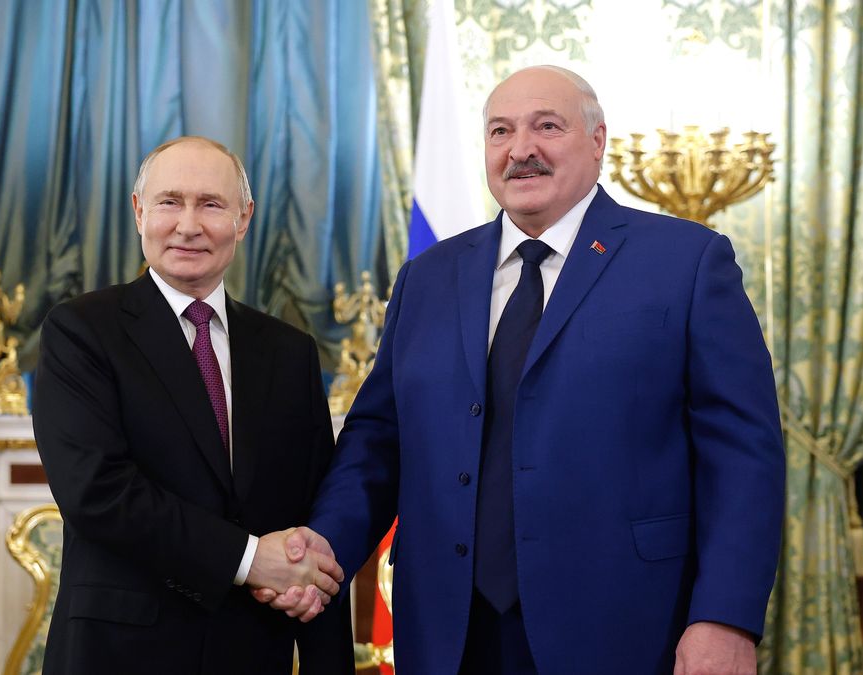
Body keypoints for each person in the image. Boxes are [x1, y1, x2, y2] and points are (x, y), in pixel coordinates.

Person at [262, 65, 786, 674]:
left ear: (597, 141)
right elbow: (380, 441)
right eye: (500, 131)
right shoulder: (427, 279)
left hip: (625, 625)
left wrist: (724, 616)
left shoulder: (686, 263)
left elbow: (743, 457)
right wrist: (324, 549)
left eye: (547, 126)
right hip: (449, 629)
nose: (521, 150)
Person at [32, 136, 354, 673]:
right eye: (169, 202)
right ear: (139, 211)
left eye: (210, 204)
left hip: (253, 650)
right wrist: (251, 561)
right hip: (120, 654)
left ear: (243, 218)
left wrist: (318, 624)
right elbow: (98, 493)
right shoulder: (82, 330)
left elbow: (312, 514)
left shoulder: (289, 351)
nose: (188, 225)